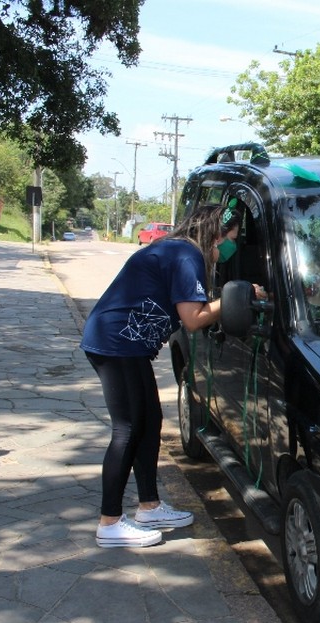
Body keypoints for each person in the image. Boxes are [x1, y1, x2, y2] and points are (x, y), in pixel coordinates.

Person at [81, 204, 261, 548]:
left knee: (150, 422)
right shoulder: (186, 256)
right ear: (216, 233)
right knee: (128, 429)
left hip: (128, 344)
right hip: (116, 342)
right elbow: (193, 319)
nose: (231, 247)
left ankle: (149, 507)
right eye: (232, 238)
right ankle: (109, 522)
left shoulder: (179, 250)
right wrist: (240, 295)